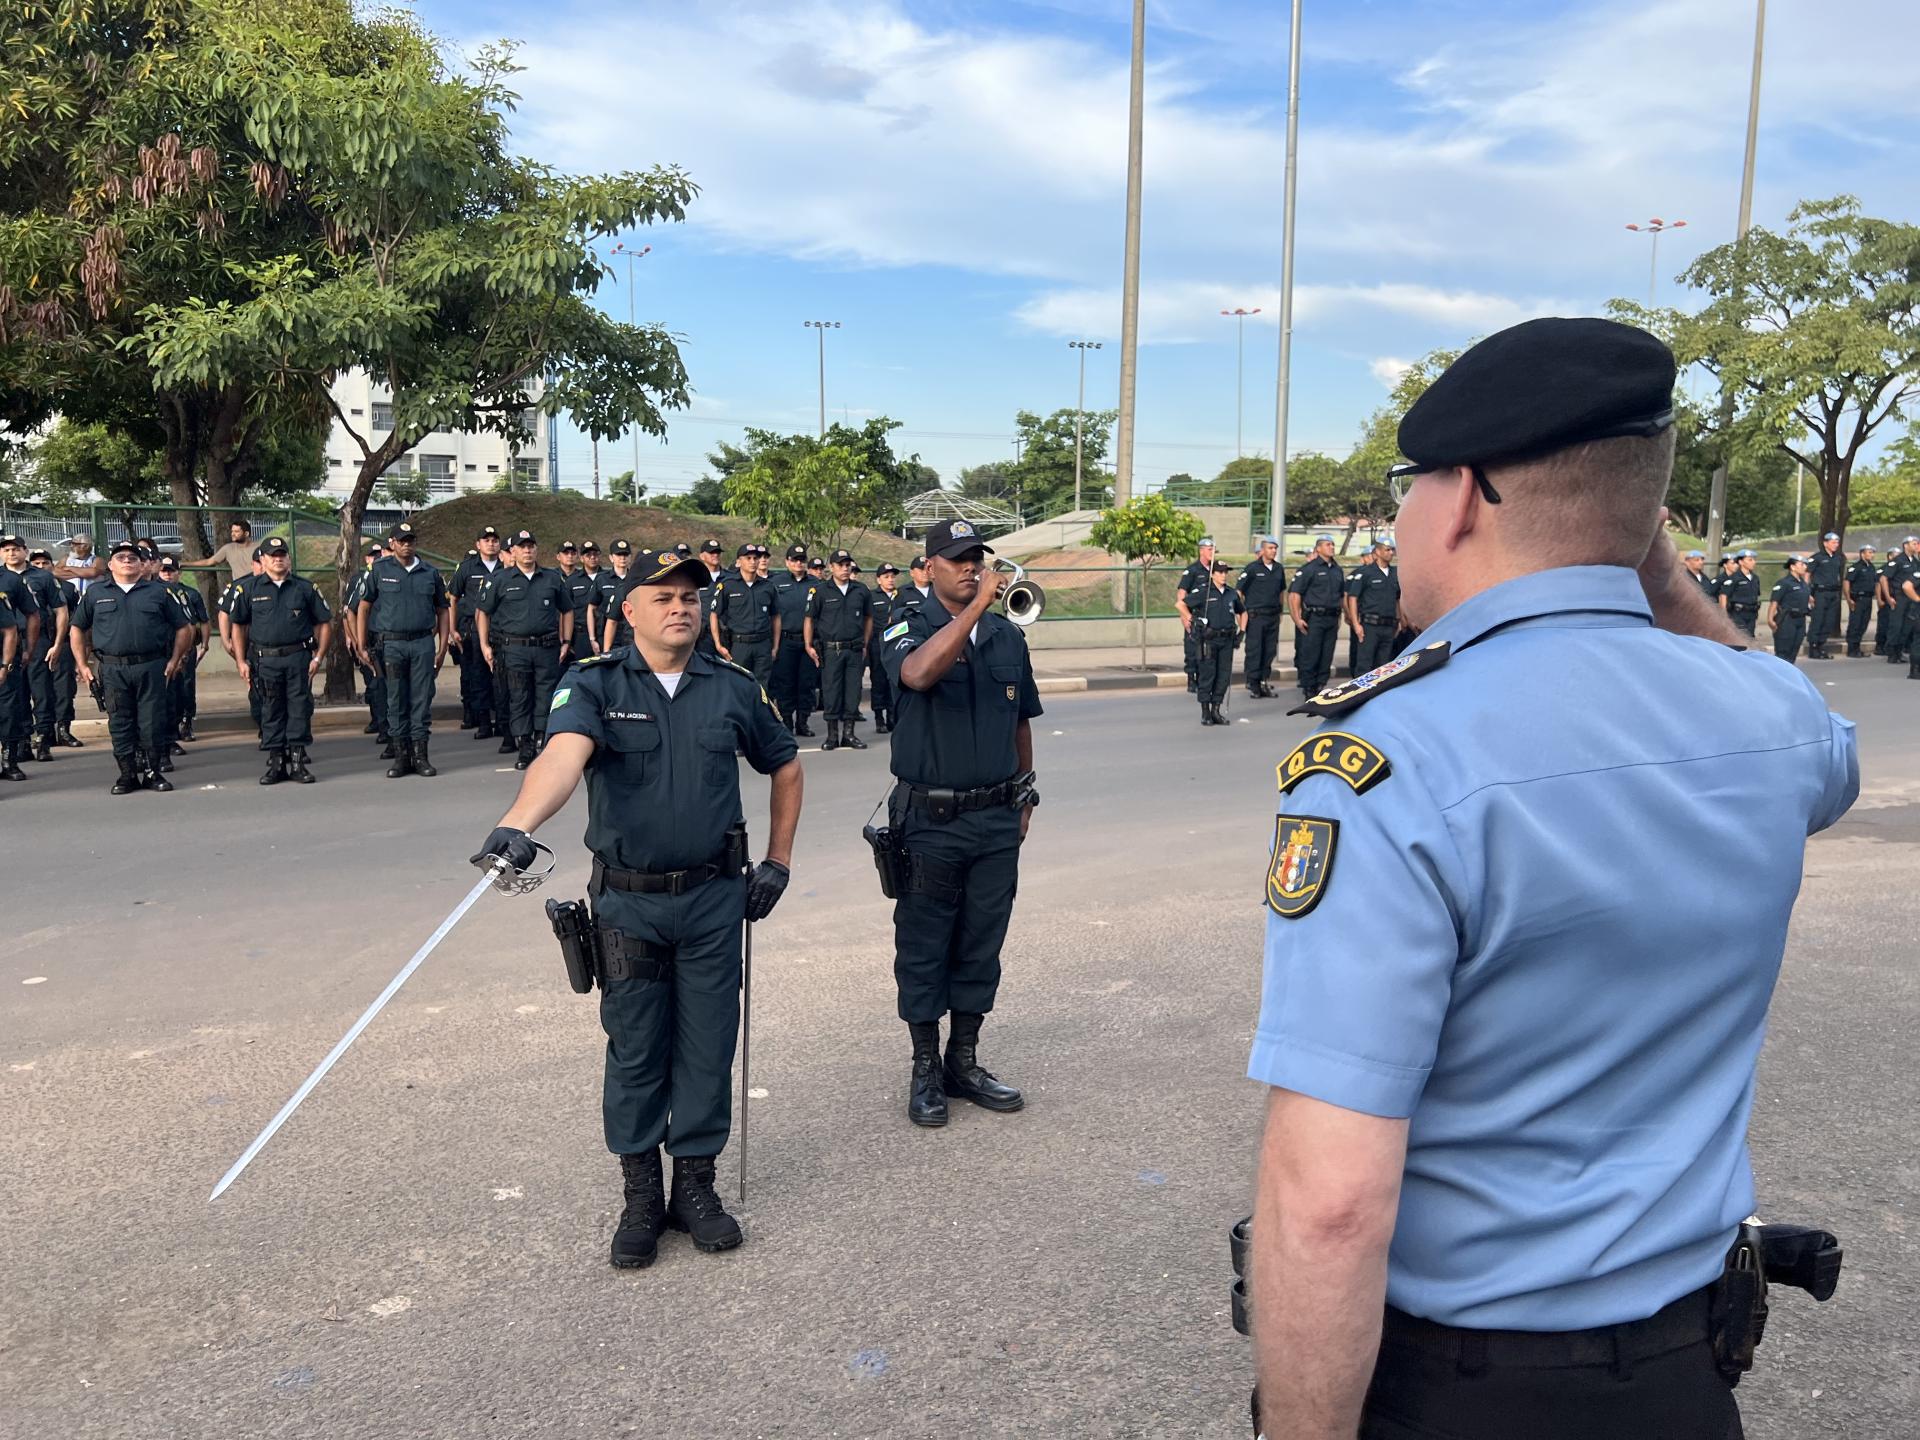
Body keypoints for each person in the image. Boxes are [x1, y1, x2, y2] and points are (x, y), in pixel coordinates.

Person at [1248, 317, 1859, 1440]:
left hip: (1468, 1393)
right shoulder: (1772, 718)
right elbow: (1827, 753)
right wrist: (1650, 568)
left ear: (1466, 494)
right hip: (1687, 1382)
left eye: (1406, 488)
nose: (1397, 521)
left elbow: (1329, 1205)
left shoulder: (1388, 763)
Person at [472, 547, 801, 1269]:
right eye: (663, 596)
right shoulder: (592, 683)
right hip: (629, 904)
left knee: (709, 1045)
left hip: (716, 899)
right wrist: (519, 824)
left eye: (691, 595)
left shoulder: (734, 688)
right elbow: (562, 756)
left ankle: (696, 1188)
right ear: (628, 610)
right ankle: (642, 1196)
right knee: (636, 1049)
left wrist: (777, 860)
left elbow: (785, 762)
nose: (681, 606)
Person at [880, 519, 1041, 1129]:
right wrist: (973, 610)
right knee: (924, 944)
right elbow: (918, 675)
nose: (971, 568)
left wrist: (1025, 794)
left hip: (997, 817)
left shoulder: (1006, 636)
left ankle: (963, 1060)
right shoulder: (905, 625)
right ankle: (924, 1065)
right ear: (929, 569)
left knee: (981, 942)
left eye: (977, 558)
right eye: (957, 559)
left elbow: (1021, 719)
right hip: (931, 819)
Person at [71, 539, 195, 794]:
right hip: (113, 669)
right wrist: (82, 664)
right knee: (120, 722)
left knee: (152, 722)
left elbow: (184, 627)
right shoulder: (96, 593)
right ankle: (127, 774)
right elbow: (77, 628)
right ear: (110, 564)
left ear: (142, 565)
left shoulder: (159, 592)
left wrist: (174, 659)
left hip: (151, 666)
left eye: (133, 557)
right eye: (121, 557)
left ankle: (152, 772)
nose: (127, 560)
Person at [229, 536, 332, 784]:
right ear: (262, 560)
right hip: (265, 661)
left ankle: (297, 763)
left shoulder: (305, 588)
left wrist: (318, 657)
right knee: (271, 710)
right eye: (272, 555)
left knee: (298, 709)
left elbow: (325, 624)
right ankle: (277, 764)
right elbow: (238, 627)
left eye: (282, 555)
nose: (278, 559)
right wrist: (241, 661)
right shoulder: (248, 589)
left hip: (298, 658)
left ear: (289, 559)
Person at [356, 522, 452, 779]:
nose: (406, 544)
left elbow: (443, 610)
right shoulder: (378, 570)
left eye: (410, 540)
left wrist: (442, 648)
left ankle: (420, 756)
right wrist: (361, 643)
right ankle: (401, 757)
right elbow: (364, 607)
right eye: (401, 540)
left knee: (421, 700)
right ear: (392, 544)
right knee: (395, 699)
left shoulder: (429, 572)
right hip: (392, 645)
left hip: (421, 643)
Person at [476, 530, 574, 770]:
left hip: (547, 647)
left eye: (531, 546)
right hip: (514, 649)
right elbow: (483, 613)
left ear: (536, 550)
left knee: (546, 695)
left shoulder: (551, 578)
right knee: (519, 696)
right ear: (513, 552)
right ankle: (525, 745)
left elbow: (567, 610)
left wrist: (566, 641)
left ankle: (542, 739)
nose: (527, 550)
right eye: (522, 547)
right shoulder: (501, 579)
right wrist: (484, 645)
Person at [2, 533, 66, 765]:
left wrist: (57, 643)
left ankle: (44, 740)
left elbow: (60, 610)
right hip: (7, 641)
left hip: (36, 640)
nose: (11, 553)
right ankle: (23, 742)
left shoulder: (42, 577)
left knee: (41, 693)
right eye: (6, 550)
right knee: (16, 695)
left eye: (15, 549)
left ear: (25, 551)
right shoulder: (2, 577)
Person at [804, 548, 875, 751]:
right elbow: (809, 618)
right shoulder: (820, 591)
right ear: (831, 567)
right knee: (832, 690)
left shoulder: (860, 590)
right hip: (831, 649)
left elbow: (868, 617)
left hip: (854, 648)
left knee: (853, 691)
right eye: (841, 565)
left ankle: (849, 734)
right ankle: (832, 736)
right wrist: (808, 645)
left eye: (847, 565)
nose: (845, 568)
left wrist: (865, 642)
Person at [453, 526, 506, 738]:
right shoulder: (467, 568)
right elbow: (453, 598)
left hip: (502, 630)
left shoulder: (507, 566)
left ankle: (502, 722)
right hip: (474, 631)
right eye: (486, 540)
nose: (491, 543)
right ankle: (484, 722)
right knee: (478, 676)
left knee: (502, 678)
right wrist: (453, 629)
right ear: (478, 544)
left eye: (494, 539)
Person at [30, 551, 84, 748]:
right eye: (36, 563)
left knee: (64, 689)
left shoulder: (67, 588)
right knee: (40, 690)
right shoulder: (25, 587)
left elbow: (77, 620)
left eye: (45, 563)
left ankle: (64, 729)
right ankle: (43, 732)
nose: (41, 566)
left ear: (52, 566)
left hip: (63, 643)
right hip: (36, 644)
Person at [709, 544, 778, 692]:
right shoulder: (728, 586)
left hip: (762, 644)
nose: (753, 561)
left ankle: (760, 715)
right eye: (748, 558)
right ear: (739, 562)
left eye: (755, 558)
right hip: (739, 645)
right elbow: (714, 614)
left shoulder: (768, 586)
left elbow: (776, 616)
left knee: (762, 688)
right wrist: (718, 644)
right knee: (738, 686)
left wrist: (775, 646)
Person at [1184, 558, 1245, 726]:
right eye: (1220, 572)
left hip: (1227, 639)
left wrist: (1242, 632)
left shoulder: (1232, 593)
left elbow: (1242, 612)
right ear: (1212, 574)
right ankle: (1205, 712)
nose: (1223, 575)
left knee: (1223, 676)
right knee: (1207, 675)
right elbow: (1181, 604)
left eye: (1226, 572)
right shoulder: (1204, 591)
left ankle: (1216, 710)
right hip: (1209, 640)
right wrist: (1193, 619)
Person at [155, 554, 209, 745]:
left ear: (178, 573)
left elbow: (201, 622)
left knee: (186, 686)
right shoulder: (154, 592)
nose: (167, 575)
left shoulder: (189, 594)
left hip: (185, 647)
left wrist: (204, 645)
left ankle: (185, 721)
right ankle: (170, 727)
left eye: (171, 571)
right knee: (168, 689)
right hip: (163, 648)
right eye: (164, 571)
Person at [1287, 535, 1345, 698]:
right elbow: (1294, 594)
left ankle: (1321, 684)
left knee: (1327, 654)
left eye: (1333, 544)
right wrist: (1297, 619)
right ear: (1318, 549)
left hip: (1332, 617)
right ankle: (1309, 688)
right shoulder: (1309, 569)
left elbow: (1341, 596)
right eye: (1328, 545)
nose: (1332, 547)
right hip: (1314, 618)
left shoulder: (1337, 570)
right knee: (1311, 654)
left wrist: (1340, 616)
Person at [769, 545, 819, 734]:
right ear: (787, 562)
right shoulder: (776, 582)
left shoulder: (816, 584)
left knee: (806, 683)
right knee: (785, 683)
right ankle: (787, 722)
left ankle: (803, 722)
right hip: (785, 640)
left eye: (802, 560)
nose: (799, 563)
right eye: (795, 559)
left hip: (808, 642)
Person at [0, 538, 37, 782]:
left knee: (8, 712)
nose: (11, 553)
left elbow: (30, 616)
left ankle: (9, 761)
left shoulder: (12, 580)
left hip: (5, 656)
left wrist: (28, 650)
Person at [342, 543, 387, 742]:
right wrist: (354, 640)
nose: (375, 558)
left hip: (388, 639)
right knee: (374, 684)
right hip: (369, 641)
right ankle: (378, 721)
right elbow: (348, 612)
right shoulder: (359, 580)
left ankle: (387, 726)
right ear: (366, 559)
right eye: (372, 556)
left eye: (379, 555)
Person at [1236, 537, 1287, 699]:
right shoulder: (1252, 568)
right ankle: (1254, 683)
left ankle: (1264, 681)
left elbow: (1281, 592)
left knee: (1269, 651)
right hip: (1256, 616)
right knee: (1255, 651)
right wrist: (1241, 613)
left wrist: (1280, 612)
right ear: (1263, 550)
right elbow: (1239, 592)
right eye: (1270, 548)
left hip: (1272, 616)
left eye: (1275, 548)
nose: (1273, 551)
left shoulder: (1279, 568)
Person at [1344, 540, 1402, 677]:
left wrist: (1399, 620)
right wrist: (1356, 624)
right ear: (1377, 552)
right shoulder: (1366, 573)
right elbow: (1352, 598)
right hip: (1370, 626)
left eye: (1392, 550)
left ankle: (1379, 697)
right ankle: (1361, 696)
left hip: (1389, 625)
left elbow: (1398, 599)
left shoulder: (1395, 573)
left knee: (1384, 665)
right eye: (1387, 550)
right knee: (1365, 664)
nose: (1391, 553)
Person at [1176, 538, 1217, 693]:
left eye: (1213, 549)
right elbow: (1182, 593)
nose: (1212, 552)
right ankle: (1191, 679)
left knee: (1208, 651)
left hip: (1211, 616)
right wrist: (1184, 616)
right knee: (1193, 649)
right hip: (1195, 616)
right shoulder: (1193, 570)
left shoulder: (1216, 570)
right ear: (1201, 551)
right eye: (1209, 549)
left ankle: (1204, 679)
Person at [868, 562, 902, 733]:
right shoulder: (872, 596)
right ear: (878, 579)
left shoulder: (900, 596)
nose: (890, 580)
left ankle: (891, 715)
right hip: (877, 642)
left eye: (892, 576)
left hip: (895, 642)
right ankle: (878, 717)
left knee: (893, 679)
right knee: (878, 680)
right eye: (886, 577)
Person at [1804, 532, 1844, 659]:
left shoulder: (1838, 558)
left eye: (1837, 542)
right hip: (1820, 593)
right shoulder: (1817, 558)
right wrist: (1807, 593)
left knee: (1829, 621)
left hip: (1833, 592)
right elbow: (1807, 574)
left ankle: (1822, 646)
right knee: (1818, 620)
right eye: (1833, 542)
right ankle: (1813, 647)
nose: (1835, 545)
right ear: (1825, 543)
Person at [592, 539, 636, 654]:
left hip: (629, 635)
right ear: (611, 558)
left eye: (626, 554)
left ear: (630, 557)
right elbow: (592, 608)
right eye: (619, 554)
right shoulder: (602, 579)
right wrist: (592, 638)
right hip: (607, 634)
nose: (622, 558)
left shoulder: (635, 580)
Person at [180, 519, 259, 582]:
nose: (232, 534)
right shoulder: (228, 549)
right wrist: (184, 564)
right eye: (232, 531)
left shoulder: (259, 547)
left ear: (246, 534)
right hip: (239, 587)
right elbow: (208, 562)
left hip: (257, 584)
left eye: (236, 531)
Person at [1769, 555, 1812, 663]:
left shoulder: (1803, 584)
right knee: (1783, 653)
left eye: (1805, 564)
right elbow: (1774, 602)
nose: (1804, 567)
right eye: (1801, 564)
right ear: (1792, 567)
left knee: (1794, 651)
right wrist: (1770, 620)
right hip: (1787, 620)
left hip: (1800, 620)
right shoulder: (1784, 583)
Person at [1884, 536, 1919, 665]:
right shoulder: (1897, 561)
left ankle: (1899, 651)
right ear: (1905, 545)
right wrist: (1888, 597)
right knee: (1896, 626)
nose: (1916, 546)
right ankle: (1892, 653)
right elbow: (1884, 578)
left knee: (1907, 627)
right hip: (1899, 597)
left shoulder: (1915, 562)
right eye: (1913, 544)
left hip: (1911, 598)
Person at [1844, 545, 1879, 656]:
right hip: (1858, 599)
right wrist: (1849, 599)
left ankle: (1857, 648)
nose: (1871, 555)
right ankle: (1852, 649)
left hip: (1868, 599)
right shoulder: (1856, 567)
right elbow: (1847, 582)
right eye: (1869, 552)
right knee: (1855, 624)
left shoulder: (1872, 567)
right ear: (1862, 554)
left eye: (1872, 552)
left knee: (1864, 623)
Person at [1721, 549, 1762, 636]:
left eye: (1754, 559)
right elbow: (1723, 596)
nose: (1753, 562)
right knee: (1740, 638)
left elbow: (1756, 596)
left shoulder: (1755, 578)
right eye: (1750, 560)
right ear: (1741, 562)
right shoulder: (1734, 578)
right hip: (1738, 614)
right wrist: (1724, 615)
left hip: (1752, 614)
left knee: (1750, 638)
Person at [575, 542, 604, 653]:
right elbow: (566, 611)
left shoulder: (607, 578)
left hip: (604, 633)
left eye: (595, 554)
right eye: (588, 555)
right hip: (581, 635)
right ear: (581, 558)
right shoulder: (572, 581)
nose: (592, 557)